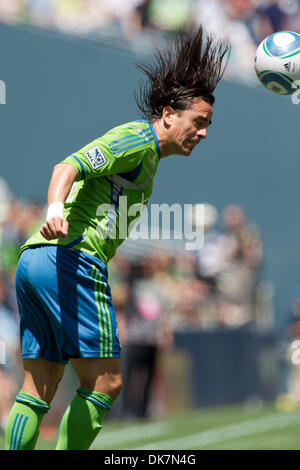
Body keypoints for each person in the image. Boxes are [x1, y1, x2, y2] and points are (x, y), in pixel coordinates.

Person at [5, 26, 230, 450]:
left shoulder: (148, 156)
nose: (203, 133)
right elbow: (65, 167)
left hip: (35, 259)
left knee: (38, 387)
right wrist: (55, 210)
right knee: (106, 383)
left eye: (208, 125)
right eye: (199, 122)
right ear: (167, 114)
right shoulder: (136, 140)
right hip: (71, 260)